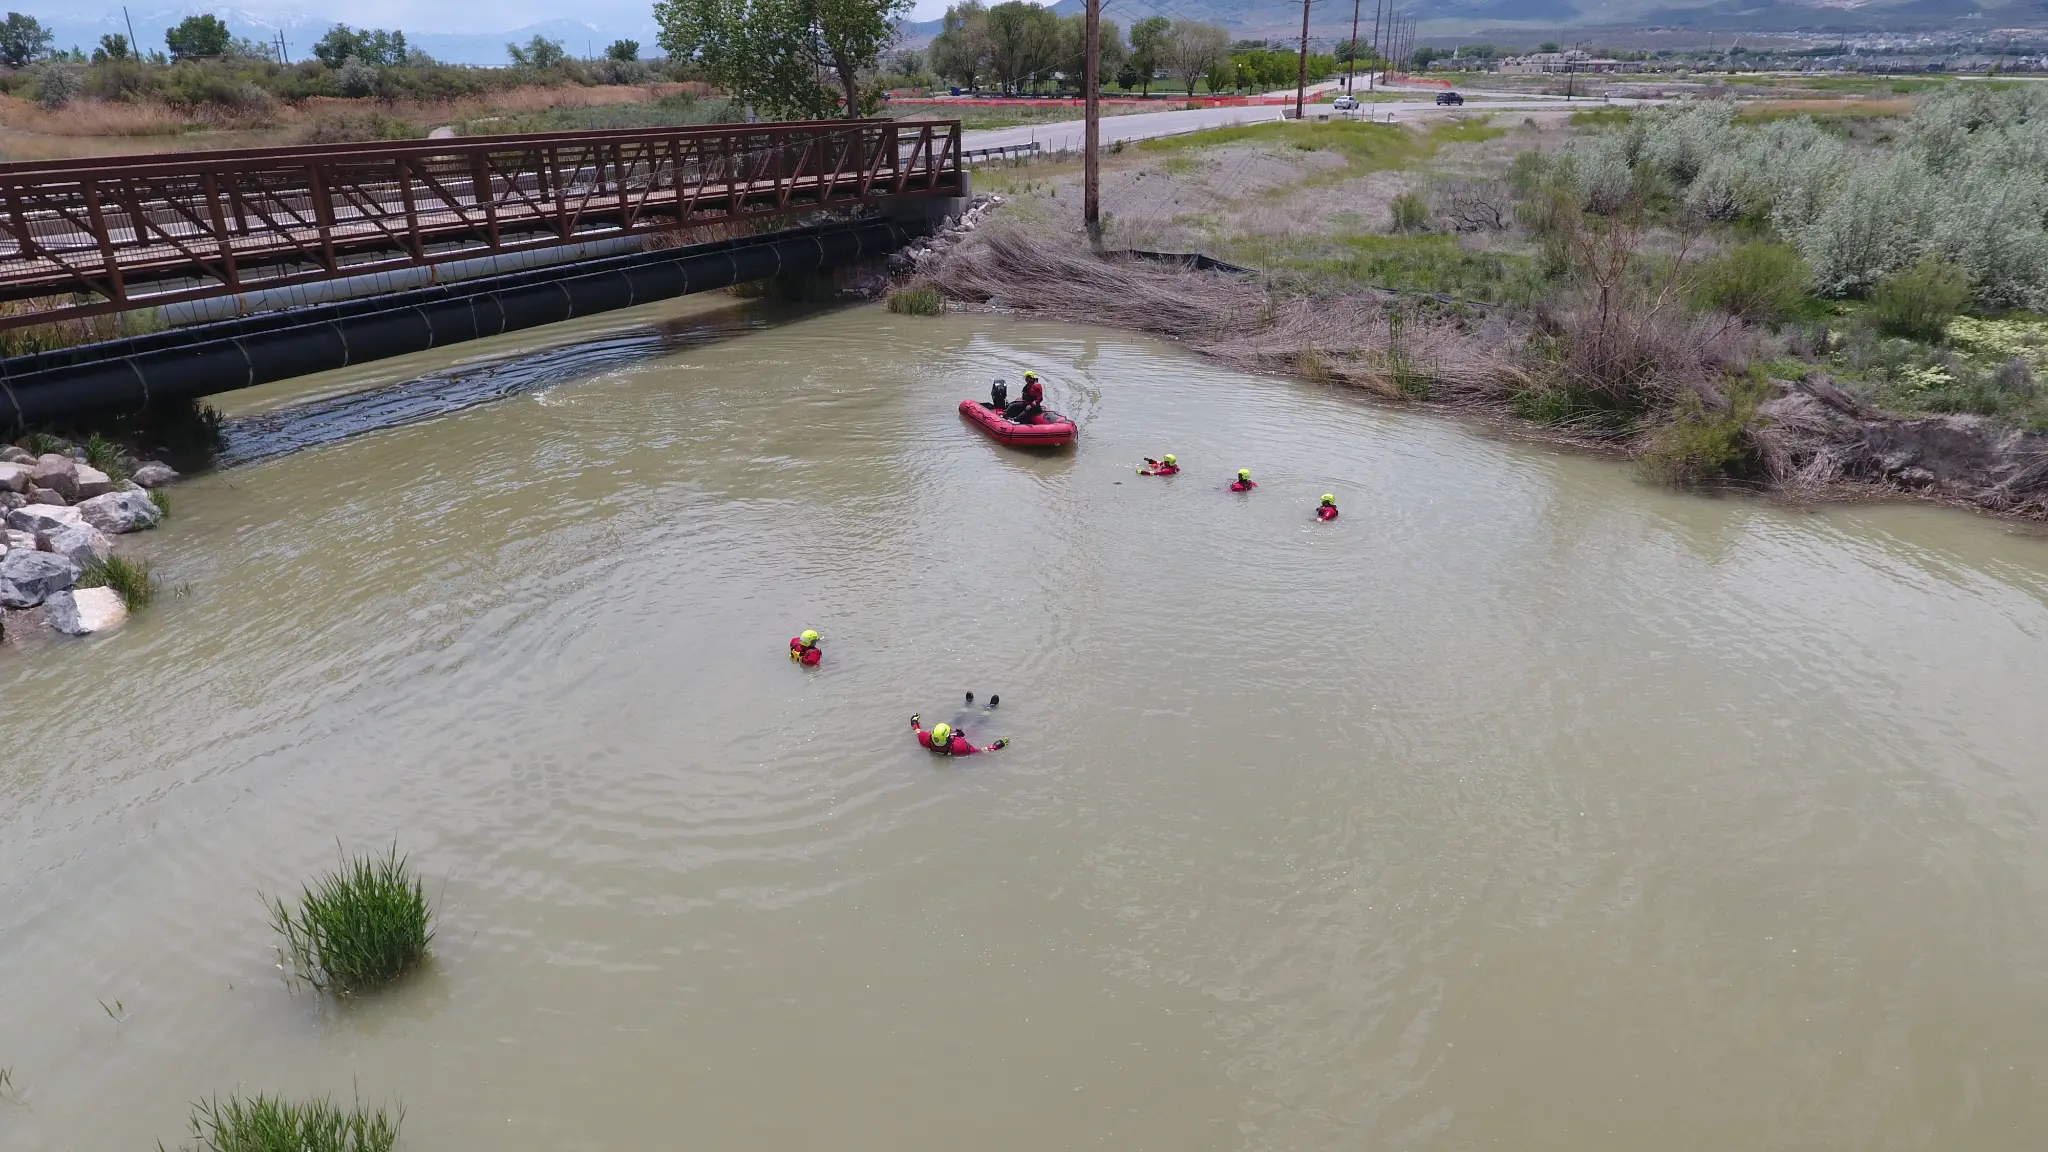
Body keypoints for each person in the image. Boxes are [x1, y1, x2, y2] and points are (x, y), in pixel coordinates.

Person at [912, 714, 1007, 756]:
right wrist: (995, 747)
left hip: (953, 736)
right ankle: (987, 709)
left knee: (971, 724)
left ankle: (969, 707)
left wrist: (914, 721)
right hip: (961, 734)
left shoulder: (925, 739)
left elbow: (917, 731)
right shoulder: (959, 746)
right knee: (975, 725)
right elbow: (978, 752)